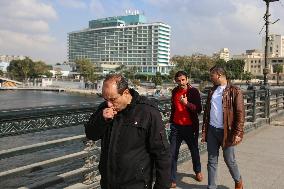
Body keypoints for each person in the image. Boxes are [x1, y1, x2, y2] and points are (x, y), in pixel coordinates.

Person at [85, 74, 171, 189]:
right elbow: (91, 134)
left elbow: (162, 154)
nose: (109, 104)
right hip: (108, 183)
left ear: (125, 93)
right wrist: (102, 119)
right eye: (106, 99)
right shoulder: (103, 109)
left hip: (136, 184)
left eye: (113, 99)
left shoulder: (147, 112)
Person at [202, 66, 244, 189]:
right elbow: (207, 111)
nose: (211, 78)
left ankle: (238, 180)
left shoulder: (235, 91)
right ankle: (212, 186)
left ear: (219, 75)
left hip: (228, 132)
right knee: (211, 161)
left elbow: (240, 113)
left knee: (229, 160)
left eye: (212, 76)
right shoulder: (212, 90)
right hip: (212, 130)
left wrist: (238, 132)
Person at [168, 71, 203, 188]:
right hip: (176, 127)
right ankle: (172, 179)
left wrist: (187, 103)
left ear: (187, 79)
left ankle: (198, 171)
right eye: (178, 80)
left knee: (194, 150)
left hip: (190, 127)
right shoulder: (174, 91)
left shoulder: (193, 91)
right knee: (172, 153)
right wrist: (171, 122)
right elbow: (174, 108)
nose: (181, 82)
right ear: (176, 81)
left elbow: (198, 109)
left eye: (183, 80)